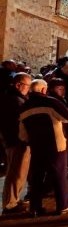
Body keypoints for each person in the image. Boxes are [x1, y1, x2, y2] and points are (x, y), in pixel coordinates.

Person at [19, 79, 68, 217]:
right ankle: (62, 206)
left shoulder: (25, 106)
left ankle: (34, 208)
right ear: (44, 90)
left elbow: (22, 134)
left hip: (36, 146)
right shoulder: (51, 102)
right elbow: (66, 117)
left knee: (36, 177)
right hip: (56, 146)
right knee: (59, 176)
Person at [1, 73, 32, 214]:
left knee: (19, 172)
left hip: (16, 140)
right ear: (18, 85)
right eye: (27, 85)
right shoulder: (14, 101)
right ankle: (10, 203)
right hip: (15, 141)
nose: (29, 89)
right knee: (15, 172)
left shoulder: (15, 98)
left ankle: (14, 199)